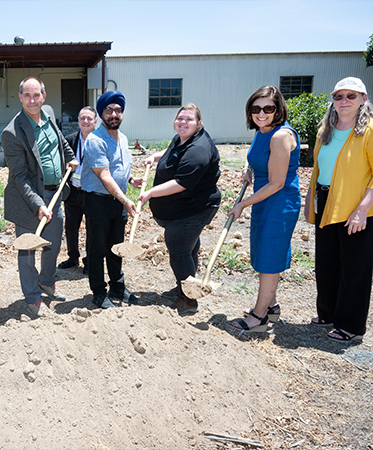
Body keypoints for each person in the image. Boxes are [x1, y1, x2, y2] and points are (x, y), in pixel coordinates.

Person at [304, 77, 373, 342]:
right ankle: (327, 313)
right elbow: (318, 168)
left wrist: (362, 209)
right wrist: (310, 201)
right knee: (326, 262)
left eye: (351, 95)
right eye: (339, 96)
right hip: (326, 201)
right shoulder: (326, 129)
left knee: (354, 267)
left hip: (358, 207)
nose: (344, 101)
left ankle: (350, 324)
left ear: (363, 98)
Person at [1, 76, 77, 317]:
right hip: (28, 198)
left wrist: (70, 156)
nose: (32, 100)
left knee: (52, 245)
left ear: (43, 96)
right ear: (20, 97)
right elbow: (19, 177)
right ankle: (32, 297)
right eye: (27, 95)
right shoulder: (12, 132)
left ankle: (46, 281)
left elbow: (60, 141)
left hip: (56, 193)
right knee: (28, 250)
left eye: (37, 95)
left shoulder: (49, 113)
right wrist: (38, 205)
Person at [227, 86, 301, 332]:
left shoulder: (280, 136)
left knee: (269, 258)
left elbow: (277, 182)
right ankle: (271, 305)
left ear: (278, 109)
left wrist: (242, 204)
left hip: (278, 202)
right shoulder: (263, 131)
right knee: (264, 251)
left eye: (268, 108)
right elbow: (259, 159)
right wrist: (248, 170)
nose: (261, 113)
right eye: (256, 108)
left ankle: (259, 318)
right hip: (264, 198)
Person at [138, 103, 221, 314]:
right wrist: (155, 157)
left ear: (199, 123)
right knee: (188, 248)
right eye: (180, 118)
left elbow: (182, 183)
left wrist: (150, 193)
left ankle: (189, 300)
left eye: (189, 119)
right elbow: (171, 151)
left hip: (193, 209)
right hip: (181, 208)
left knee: (179, 249)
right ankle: (184, 287)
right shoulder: (182, 138)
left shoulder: (199, 149)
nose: (183, 122)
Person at [82, 90, 144, 309]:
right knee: (97, 248)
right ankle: (99, 291)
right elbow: (104, 175)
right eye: (109, 110)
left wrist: (131, 178)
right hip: (98, 202)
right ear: (101, 114)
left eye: (118, 110)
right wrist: (125, 200)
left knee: (116, 247)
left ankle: (118, 286)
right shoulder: (95, 140)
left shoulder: (124, 138)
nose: (114, 114)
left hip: (118, 201)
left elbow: (118, 167)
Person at [58, 106, 97, 274]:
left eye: (89, 118)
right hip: (73, 191)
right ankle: (73, 257)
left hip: (92, 193)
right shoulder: (70, 140)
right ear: (78, 121)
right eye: (83, 118)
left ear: (95, 121)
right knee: (71, 227)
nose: (86, 121)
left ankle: (90, 261)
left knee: (92, 228)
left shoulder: (100, 140)